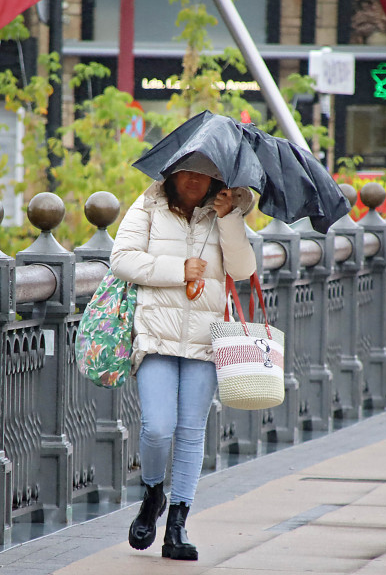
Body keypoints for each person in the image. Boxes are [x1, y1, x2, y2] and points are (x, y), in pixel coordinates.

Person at [109, 156, 257, 561]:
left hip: (205, 341)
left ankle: (178, 523)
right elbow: (121, 259)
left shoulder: (224, 211)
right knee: (158, 427)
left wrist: (230, 219)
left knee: (192, 431)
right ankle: (153, 492)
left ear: (217, 177)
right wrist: (180, 269)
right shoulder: (149, 206)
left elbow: (243, 269)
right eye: (187, 170)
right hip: (156, 337)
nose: (195, 179)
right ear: (171, 172)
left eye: (205, 172)